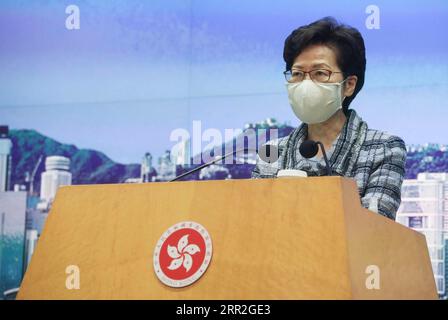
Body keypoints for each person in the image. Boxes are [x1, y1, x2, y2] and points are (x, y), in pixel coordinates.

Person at [251, 17, 407, 220]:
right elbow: (253, 223)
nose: (306, 84)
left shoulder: (384, 148)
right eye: (297, 73)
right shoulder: (272, 152)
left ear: (349, 84)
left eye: (319, 73)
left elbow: (374, 229)